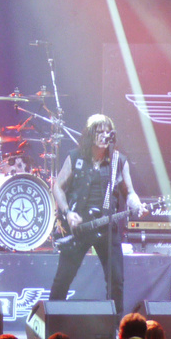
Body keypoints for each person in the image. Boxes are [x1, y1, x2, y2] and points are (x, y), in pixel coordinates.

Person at [47, 115, 143, 314]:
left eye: (108, 131)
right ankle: (51, 323)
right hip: (78, 228)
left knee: (116, 280)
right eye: (99, 131)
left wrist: (137, 204)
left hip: (106, 228)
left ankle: (116, 330)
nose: (104, 135)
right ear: (90, 134)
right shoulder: (75, 157)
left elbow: (130, 192)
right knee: (63, 279)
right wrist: (67, 212)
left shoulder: (118, 161)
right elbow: (58, 186)